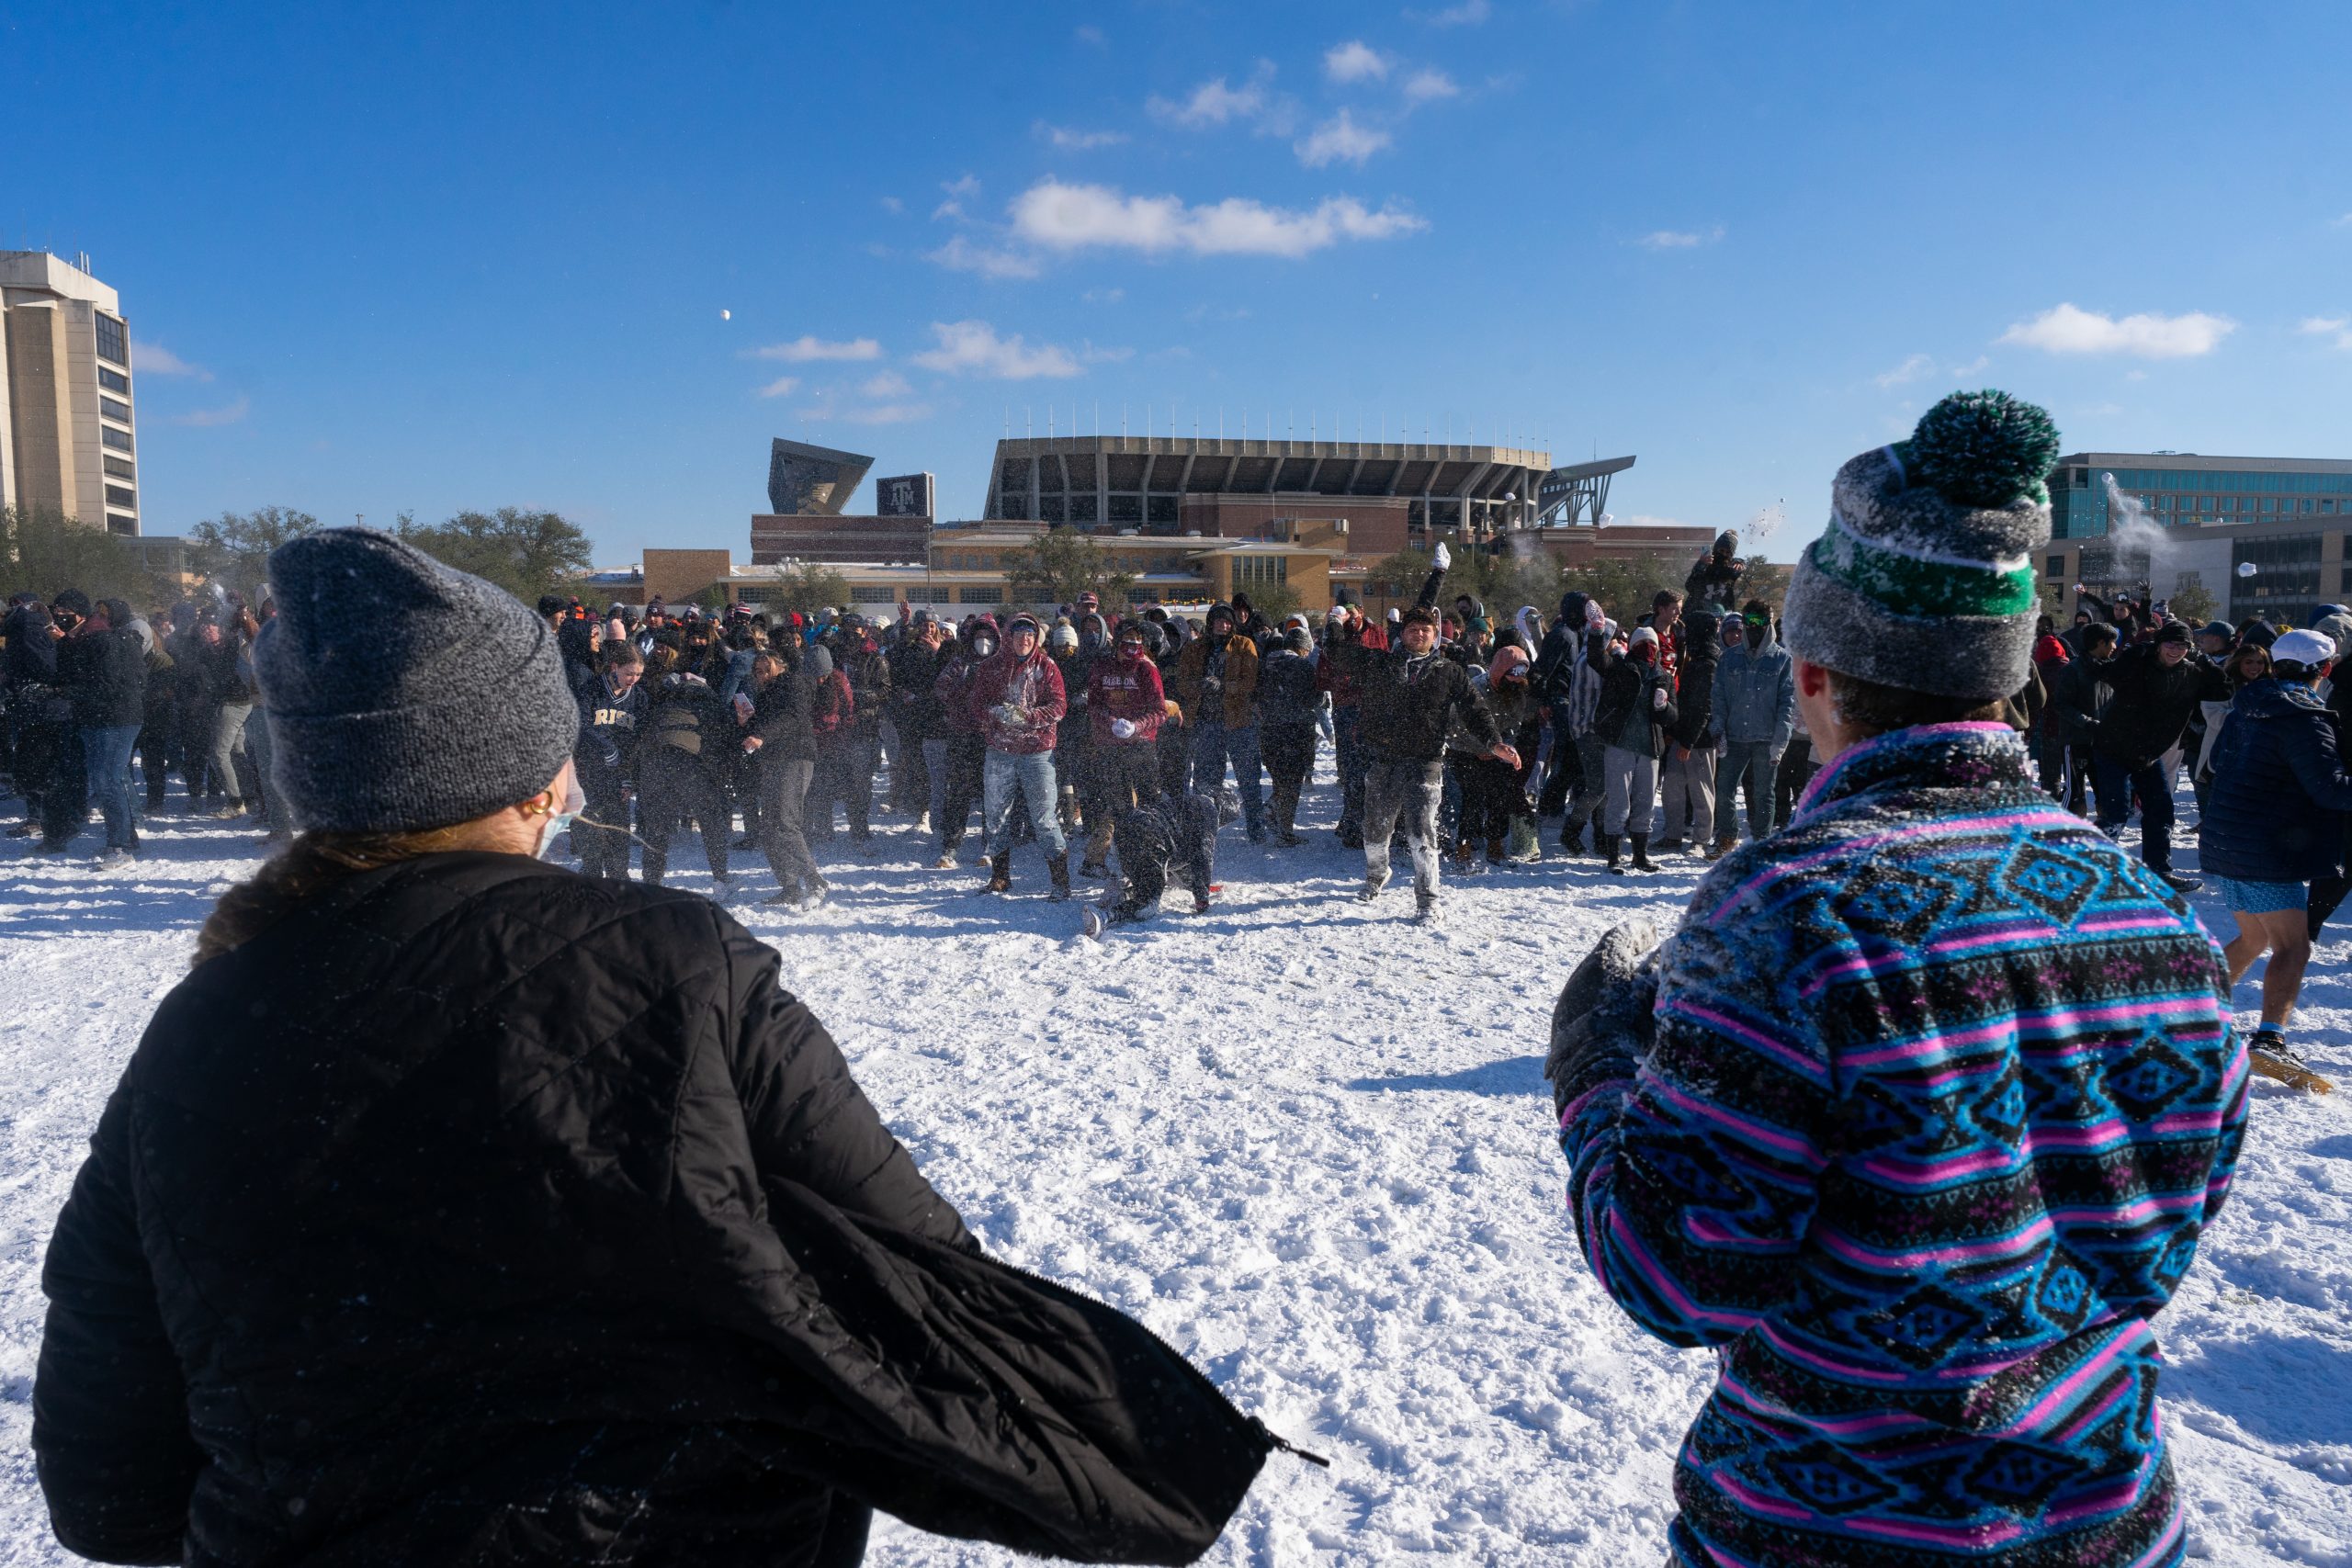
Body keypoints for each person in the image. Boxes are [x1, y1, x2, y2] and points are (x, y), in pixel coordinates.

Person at [32, 526, 1277, 1567]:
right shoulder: (680, 962)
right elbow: (921, 1276)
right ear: (525, 776)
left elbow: (108, 1488)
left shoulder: (198, 1026)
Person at [1550, 391, 2245, 1568]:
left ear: (1813, 672)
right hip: (2109, 1522)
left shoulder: (1785, 908)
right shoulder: (2151, 911)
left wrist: (1593, 1074)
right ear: (2014, 673)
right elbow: (2167, 1212)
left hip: (1824, 1531)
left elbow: (1676, 1272)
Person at [1326, 548, 1520, 923]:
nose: (1419, 634)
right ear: (1404, 635)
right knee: (1375, 831)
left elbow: (1475, 709)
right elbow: (1339, 656)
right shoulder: (1384, 664)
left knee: (1421, 834)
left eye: (1426, 630)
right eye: (1413, 629)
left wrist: (1494, 742)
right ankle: (1376, 875)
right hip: (1384, 758)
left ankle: (1428, 899)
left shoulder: (1448, 672)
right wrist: (1334, 622)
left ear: (1435, 636)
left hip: (1426, 761)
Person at [2199, 626, 2352, 1088]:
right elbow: (2328, 788)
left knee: (2252, 939)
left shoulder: (2247, 704)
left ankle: (2192, 1016)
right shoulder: (2303, 716)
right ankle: (2269, 1041)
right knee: (2293, 944)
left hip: (2226, 839)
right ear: (2323, 670)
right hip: (2264, 847)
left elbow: (2218, 765)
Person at [2085, 619, 2226, 893]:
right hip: (2114, 747)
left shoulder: (2193, 672)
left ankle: (2159, 871)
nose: (2175, 650)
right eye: (2169, 644)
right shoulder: (2139, 664)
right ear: (2159, 645)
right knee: (2115, 813)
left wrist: (2203, 660)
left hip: (2148, 754)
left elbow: (2223, 689)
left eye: (2182, 646)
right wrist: (2138, 652)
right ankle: (2090, 870)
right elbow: (2112, 675)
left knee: (2161, 811)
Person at [968, 613, 1070, 897]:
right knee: (996, 816)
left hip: (1038, 752)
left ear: (1036, 638)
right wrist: (995, 714)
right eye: (1019, 633)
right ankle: (1000, 877)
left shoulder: (1048, 667)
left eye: (1030, 634)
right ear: (1009, 637)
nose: (1024, 639)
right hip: (1000, 751)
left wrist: (1028, 717)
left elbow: (1059, 707)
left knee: (1044, 819)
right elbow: (976, 704)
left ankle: (1061, 883)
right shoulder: (991, 667)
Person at [57, 596, 150, 867]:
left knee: (108, 781)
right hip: (103, 719)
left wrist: (67, 691)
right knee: (107, 780)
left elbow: (106, 685)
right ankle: (123, 838)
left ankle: (120, 846)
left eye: (103, 613)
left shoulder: (111, 643)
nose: (97, 617)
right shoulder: (109, 642)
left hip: (115, 720)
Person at [635, 646, 733, 892]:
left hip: (654, 760)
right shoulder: (710, 703)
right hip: (688, 761)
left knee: (656, 828)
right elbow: (720, 740)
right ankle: (721, 878)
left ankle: (652, 881)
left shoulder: (665, 701)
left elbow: (642, 732)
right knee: (710, 820)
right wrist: (721, 777)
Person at [1080, 621, 1170, 877]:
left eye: (1136, 641)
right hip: (1110, 747)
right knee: (1118, 808)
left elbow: (1160, 711)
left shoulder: (1147, 669)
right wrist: (1110, 722)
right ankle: (1126, 862)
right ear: (1117, 643)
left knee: (1150, 804)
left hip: (1141, 745)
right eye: (1127, 641)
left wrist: (1137, 726)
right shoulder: (1102, 667)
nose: (1132, 646)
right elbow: (1094, 705)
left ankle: (1157, 857)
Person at [742, 644, 829, 908]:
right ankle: (789, 886)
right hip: (772, 759)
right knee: (769, 826)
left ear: (780, 665)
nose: (761, 674)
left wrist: (762, 734)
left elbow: (793, 718)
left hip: (795, 756)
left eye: (765, 668)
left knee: (784, 821)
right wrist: (747, 723)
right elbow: (767, 724)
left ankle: (814, 879)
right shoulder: (765, 692)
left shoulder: (794, 683)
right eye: (757, 670)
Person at [1170, 604, 1265, 842]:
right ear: (1210, 623)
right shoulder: (1194, 648)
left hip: (1238, 720)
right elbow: (1183, 683)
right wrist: (1201, 685)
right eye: (1217, 621)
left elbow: (1249, 682)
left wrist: (1224, 685)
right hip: (1205, 720)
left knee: (1248, 779)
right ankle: (1204, 829)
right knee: (1205, 782)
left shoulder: (1244, 645)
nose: (1222, 626)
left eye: (1227, 621)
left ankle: (1256, 828)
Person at [1706, 599, 1792, 859]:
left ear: (1768, 623)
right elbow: (1718, 695)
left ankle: (1762, 843)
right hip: (1734, 736)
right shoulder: (1729, 657)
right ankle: (1726, 837)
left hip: (1766, 737)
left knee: (1764, 793)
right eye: (1748, 622)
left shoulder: (1781, 659)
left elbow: (1787, 703)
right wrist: (1717, 728)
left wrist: (1780, 742)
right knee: (1724, 789)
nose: (1753, 628)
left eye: (1759, 622)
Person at [1588, 624, 1679, 874]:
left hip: (1650, 748)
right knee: (1618, 802)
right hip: (1620, 744)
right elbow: (1595, 658)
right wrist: (1596, 633)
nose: (1647, 649)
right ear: (1633, 647)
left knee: (1645, 803)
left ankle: (1640, 856)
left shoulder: (1664, 677)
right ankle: (1614, 858)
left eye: (1652, 646)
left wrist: (1663, 708)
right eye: (1641, 645)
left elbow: (1672, 718)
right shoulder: (1619, 669)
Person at [575, 641, 646, 879]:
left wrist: (629, 777)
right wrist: (604, 746)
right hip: (588, 769)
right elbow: (579, 725)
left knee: (619, 827)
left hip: (618, 774)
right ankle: (591, 872)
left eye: (638, 674)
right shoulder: (591, 690)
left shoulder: (639, 698)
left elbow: (637, 741)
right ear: (614, 667)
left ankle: (618, 877)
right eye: (629, 673)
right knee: (590, 824)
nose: (633, 679)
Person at [929, 620, 994, 867]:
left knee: (992, 792)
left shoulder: (999, 664)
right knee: (958, 791)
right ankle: (951, 845)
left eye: (988, 636)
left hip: (990, 736)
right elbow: (941, 688)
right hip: (962, 734)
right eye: (979, 636)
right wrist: (965, 693)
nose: (984, 641)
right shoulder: (960, 663)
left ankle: (990, 844)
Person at [1655, 608, 1718, 853]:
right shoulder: (1694, 657)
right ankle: (1672, 836)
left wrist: (1688, 742)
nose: (1684, 634)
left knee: (1701, 791)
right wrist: (1674, 732)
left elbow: (1703, 707)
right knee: (1672, 789)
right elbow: (1683, 700)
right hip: (1682, 736)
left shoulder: (1708, 662)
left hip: (1699, 741)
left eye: (1689, 630)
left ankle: (1701, 840)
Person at [1256, 625, 1320, 847]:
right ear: (1303, 648)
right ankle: (1281, 824)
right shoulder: (1304, 667)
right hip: (1296, 731)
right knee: (1292, 783)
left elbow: (1256, 696)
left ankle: (1279, 823)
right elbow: (1315, 699)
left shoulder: (1265, 664)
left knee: (1279, 778)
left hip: (1269, 730)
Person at [1682, 528, 1744, 614]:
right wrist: (1700, 565)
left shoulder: (1731, 570)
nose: (1724, 554)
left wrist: (1740, 562)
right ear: (1716, 549)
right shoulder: (1705, 566)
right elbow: (1689, 586)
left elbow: (1739, 570)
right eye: (1721, 550)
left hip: (1722, 616)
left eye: (1728, 552)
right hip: (1698, 616)